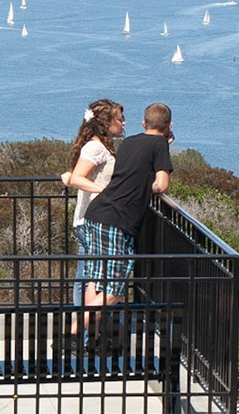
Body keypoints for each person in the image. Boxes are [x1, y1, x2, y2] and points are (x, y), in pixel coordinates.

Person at [70, 102, 173, 352]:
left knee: (95, 281)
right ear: (169, 126)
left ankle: (92, 339)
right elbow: (162, 184)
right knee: (115, 290)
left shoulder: (128, 143)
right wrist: (147, 186)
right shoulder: (159, 145)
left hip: (96, 214)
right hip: (118, 220)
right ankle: (75, 330)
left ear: (144, 123)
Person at [60, 99, 123, 340]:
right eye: (119, 119)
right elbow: (78, 178)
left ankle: (88, 332)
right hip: (91, 220)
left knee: (88, 277)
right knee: (91, 279)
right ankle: (85, 334)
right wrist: (105, 192)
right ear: (106, 123)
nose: (123, 123)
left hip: (92, 220)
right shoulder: (95, 147)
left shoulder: (101, 146)